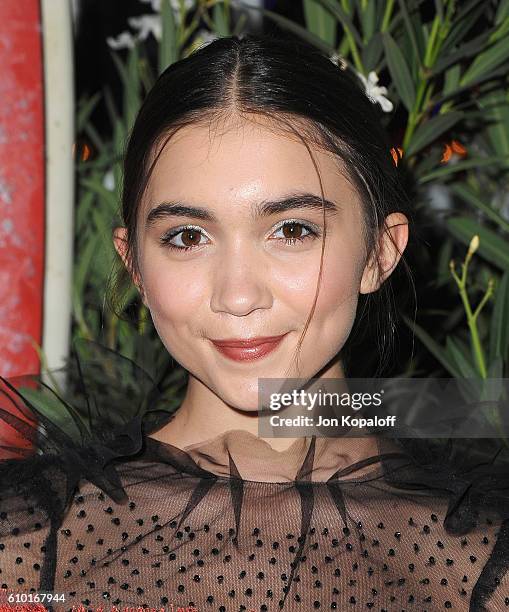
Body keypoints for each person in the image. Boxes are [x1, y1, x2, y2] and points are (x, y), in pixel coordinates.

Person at [1, 33, 508, 612]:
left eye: (292, 230)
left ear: (380, 252)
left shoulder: (483, 562)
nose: (237, 296)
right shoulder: (26, 541)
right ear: (134, 265)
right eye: (188, 237)